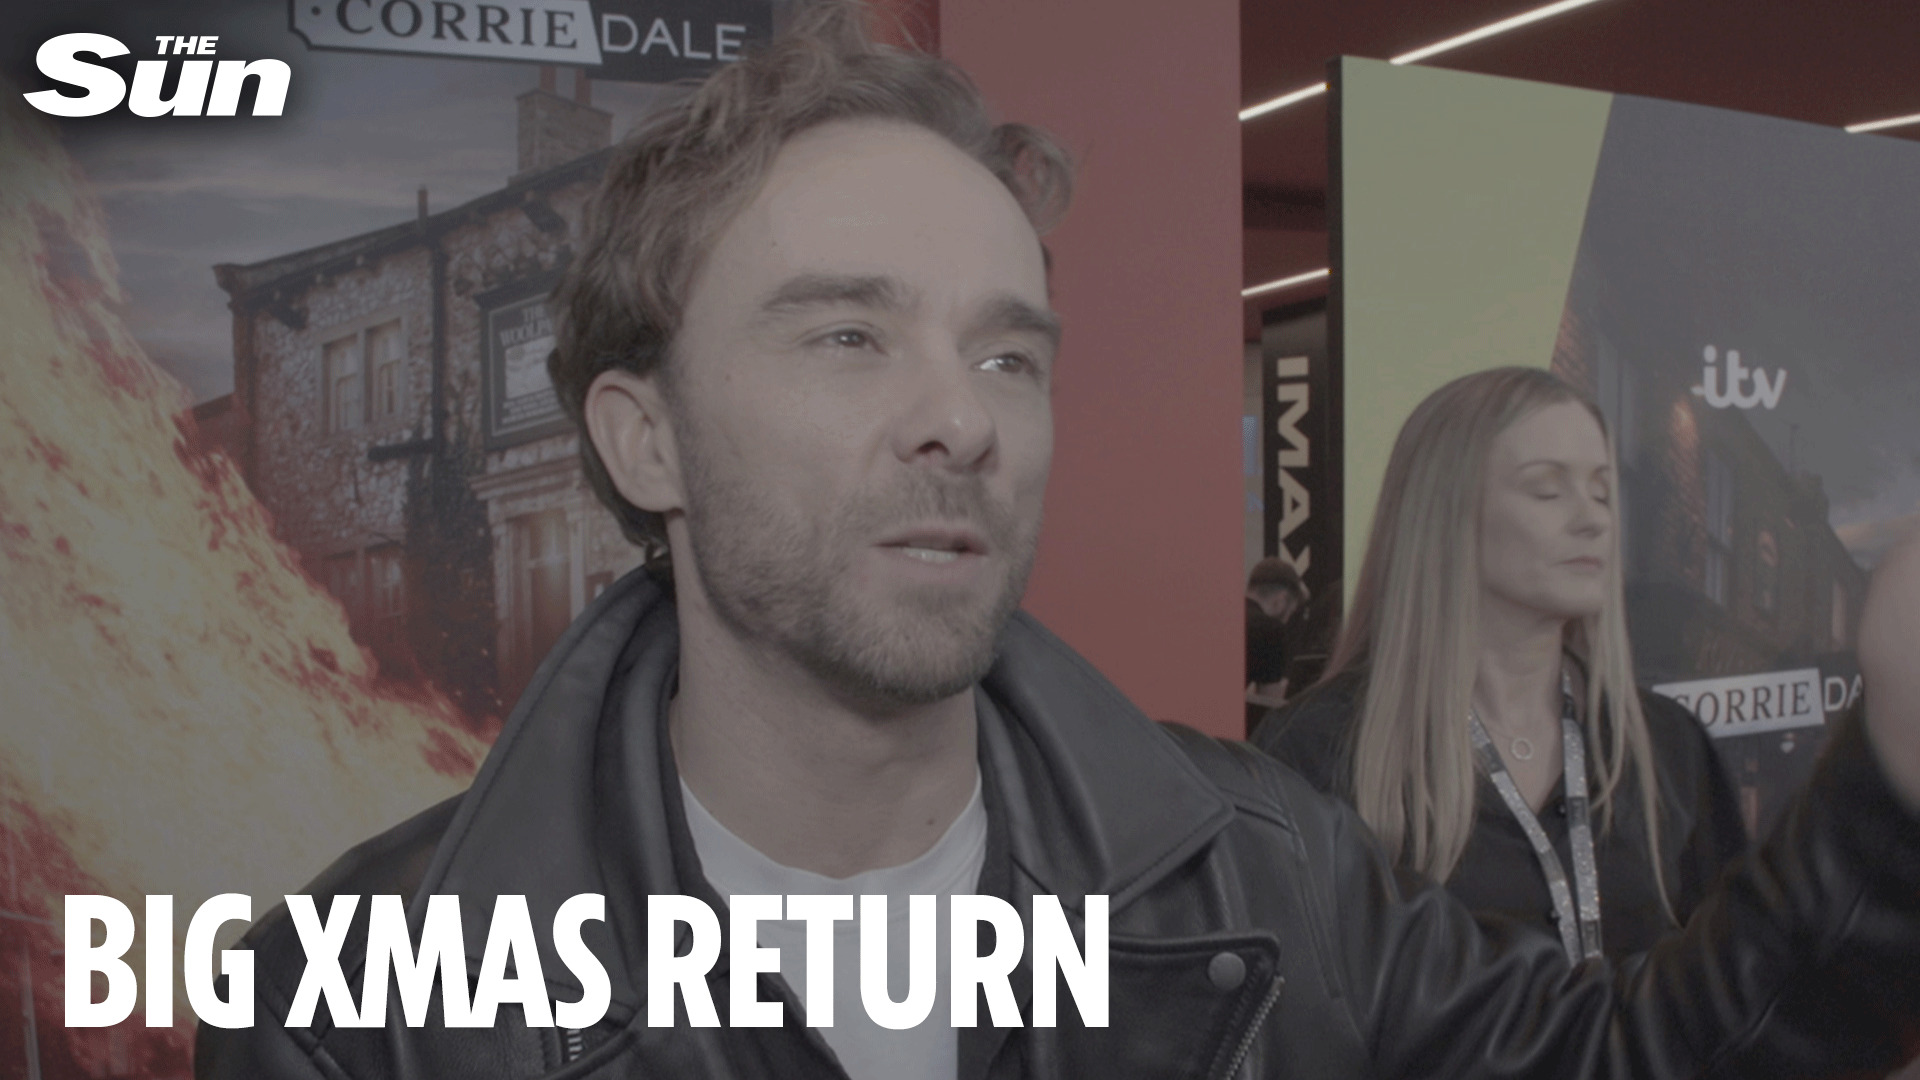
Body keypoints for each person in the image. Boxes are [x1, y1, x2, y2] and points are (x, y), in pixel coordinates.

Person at [197, 5, 1920, 1078]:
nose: (962, 418)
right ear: (644, 438)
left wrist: (1894, 777)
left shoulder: (1264, 864)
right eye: (849, 334)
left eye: (1008, 354)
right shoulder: (355, 1011)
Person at [1252, 368, 1748, 962]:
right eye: (1546, 490)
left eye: (1602, 492)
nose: (1593, 519)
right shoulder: (1316, 751)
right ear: (1445, 511)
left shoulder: (1667, 748)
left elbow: (1739, 981)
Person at [1245, 557, 1307, 729]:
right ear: (1281, 599)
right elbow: (1267, 708)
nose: (1287, 620)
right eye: (1290, 612)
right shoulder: (1270, 630)